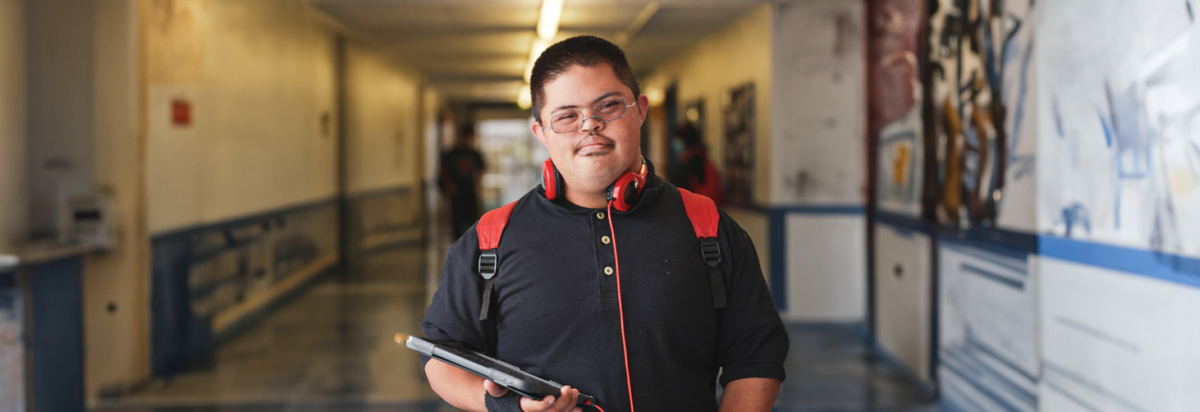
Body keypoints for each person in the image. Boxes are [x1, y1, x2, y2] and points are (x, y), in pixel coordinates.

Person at [421, 35, 788, 412]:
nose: (590, 126)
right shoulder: (489, 239)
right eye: (566, 116)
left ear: (640, 109)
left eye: (609, 106)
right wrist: (502, 406)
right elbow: (442, 356)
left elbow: (756, 356)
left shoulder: (707, 225)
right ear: (541, 133)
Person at [439, 124, 487, 240]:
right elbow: (443, 170)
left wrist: (476, 183)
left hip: (469, 190)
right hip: (456, 191)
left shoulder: (474, 153)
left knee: (472, 219)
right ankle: (458, 243)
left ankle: (471, 242)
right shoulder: (453, 153)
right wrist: (449, 185)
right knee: (456, 220)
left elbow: (481, 169)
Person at [668, 122, 723, 205]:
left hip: (693, 210)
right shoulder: (698, 157)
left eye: (677, 139)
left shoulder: (692, 161)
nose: (674, 143)